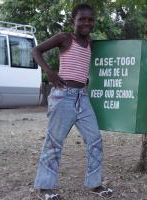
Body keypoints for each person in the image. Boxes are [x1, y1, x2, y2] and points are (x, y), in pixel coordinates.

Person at [32, 4, 113, 199]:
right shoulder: (65, 38)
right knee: (54, 142)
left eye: (90, 20)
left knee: (94, 140)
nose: (86, 23)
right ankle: (45, 188)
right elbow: (36, 50)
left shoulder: (91, 42)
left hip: (83, 97)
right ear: (73, 21)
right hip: (63, 96)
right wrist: (49, 72)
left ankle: (94, 184)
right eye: (82, 19)